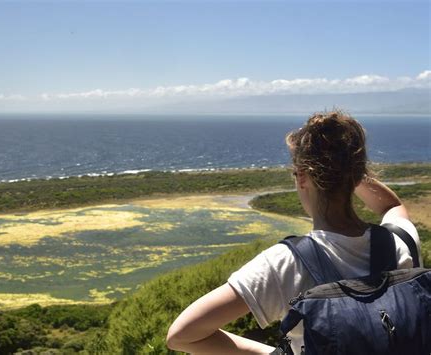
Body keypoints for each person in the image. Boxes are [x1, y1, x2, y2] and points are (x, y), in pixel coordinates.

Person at [165, 110, 422, 354]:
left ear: (301, 178)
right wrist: (349, 170)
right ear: (358, 175)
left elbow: (182, 335)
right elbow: (392, 205)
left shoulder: (285, 264)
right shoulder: (401, 240)